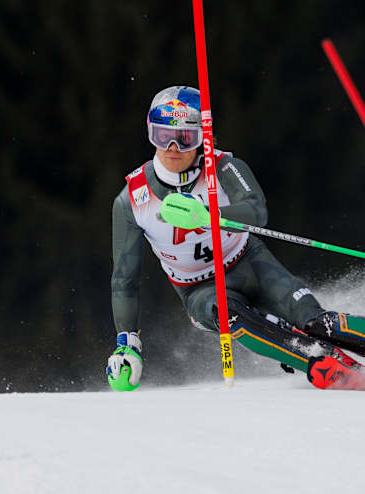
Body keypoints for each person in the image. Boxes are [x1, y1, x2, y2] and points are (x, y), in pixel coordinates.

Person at [108, 85, 365, 392]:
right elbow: (124, 279)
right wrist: (128, 343)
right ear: (151, 134)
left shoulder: (224, 167)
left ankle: (322, 342)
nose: (173, 147)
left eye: (184, 138)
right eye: (163, 136)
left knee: (318, 324)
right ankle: (319, 361)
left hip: (250, 262)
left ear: (202, 136)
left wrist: (208, 213)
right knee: (228, 313)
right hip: (199, 289)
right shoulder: (132, 200)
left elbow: (258, 212)